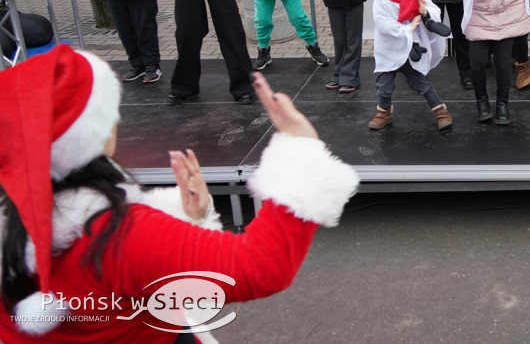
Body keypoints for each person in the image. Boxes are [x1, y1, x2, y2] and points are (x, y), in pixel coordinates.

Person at [0, 44, 359, 342]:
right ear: (85, 134)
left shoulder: (18, 222)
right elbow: (261, 266)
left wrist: (193, 221)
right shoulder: (120, 236)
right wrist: (302, 149)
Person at [368, 0, 453, 131]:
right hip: (390, 50)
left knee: (421, 82)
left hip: (411, 49)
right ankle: (384, 112)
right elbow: (383, 24)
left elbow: (433, 9)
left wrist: (425, 12)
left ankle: (440, 110)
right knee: (384, 86)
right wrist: (407, 29)